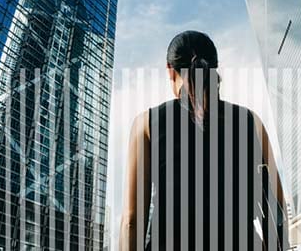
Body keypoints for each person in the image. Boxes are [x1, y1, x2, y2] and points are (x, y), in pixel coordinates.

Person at [119, 31, 287, 250]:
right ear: (214, 68)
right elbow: (277, 208)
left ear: (170, 71)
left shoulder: (146, 124)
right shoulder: (251, 121)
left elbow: (132, 220)